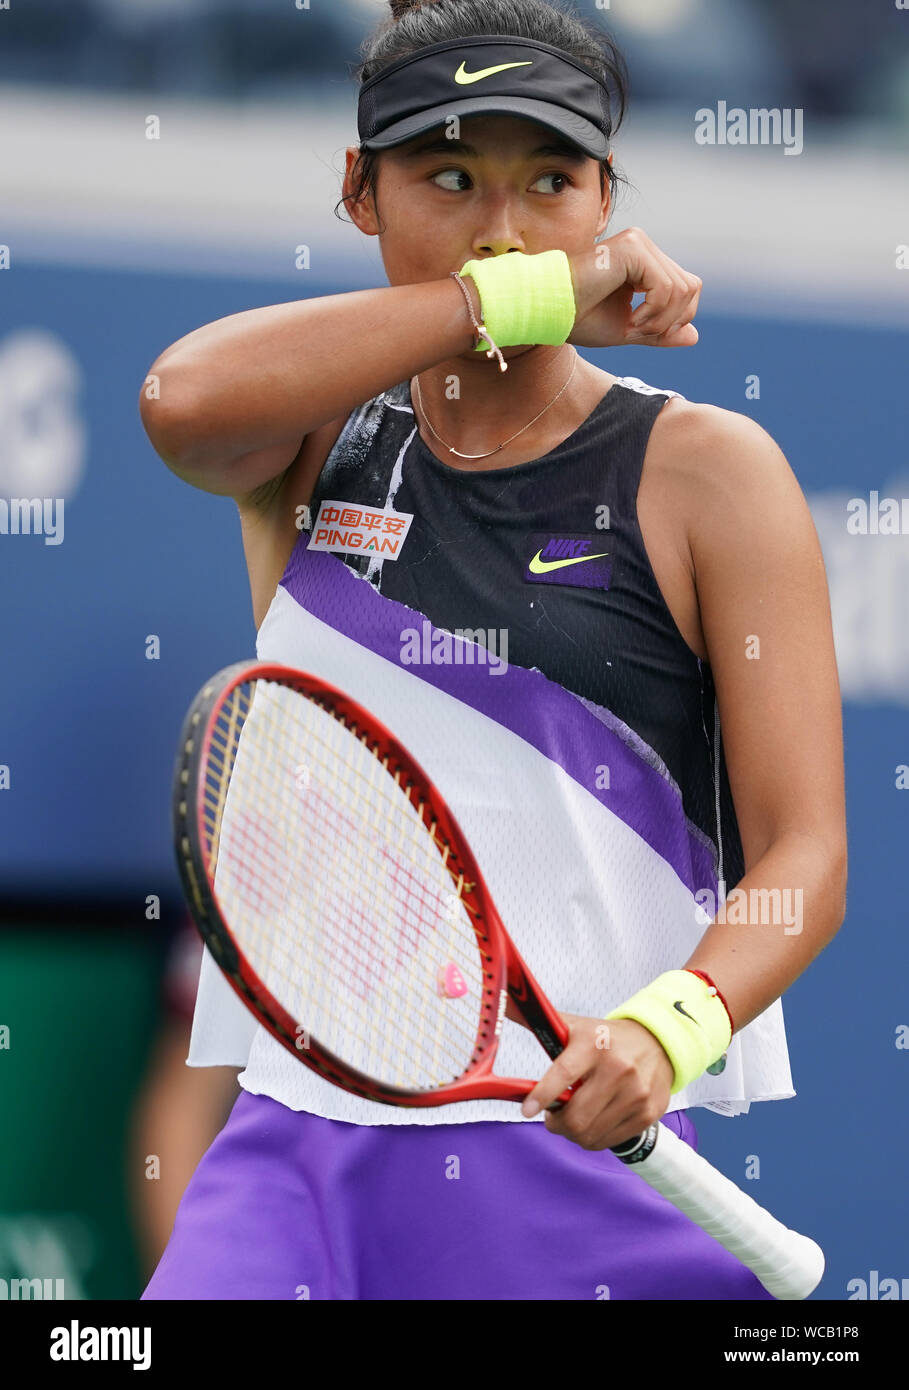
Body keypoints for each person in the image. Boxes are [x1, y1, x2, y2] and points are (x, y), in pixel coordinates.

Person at [138, 0, 846, 1300]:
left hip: (574, 1160)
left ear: (606, 200)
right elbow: (179, 400)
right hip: (290, 1155)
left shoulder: (708, 471)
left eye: (550, 184)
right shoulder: (311, 435)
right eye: (449, 177)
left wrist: (666, 1025)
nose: (505, 225)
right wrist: (507, 301)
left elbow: (803, 857)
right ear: (358, 190)